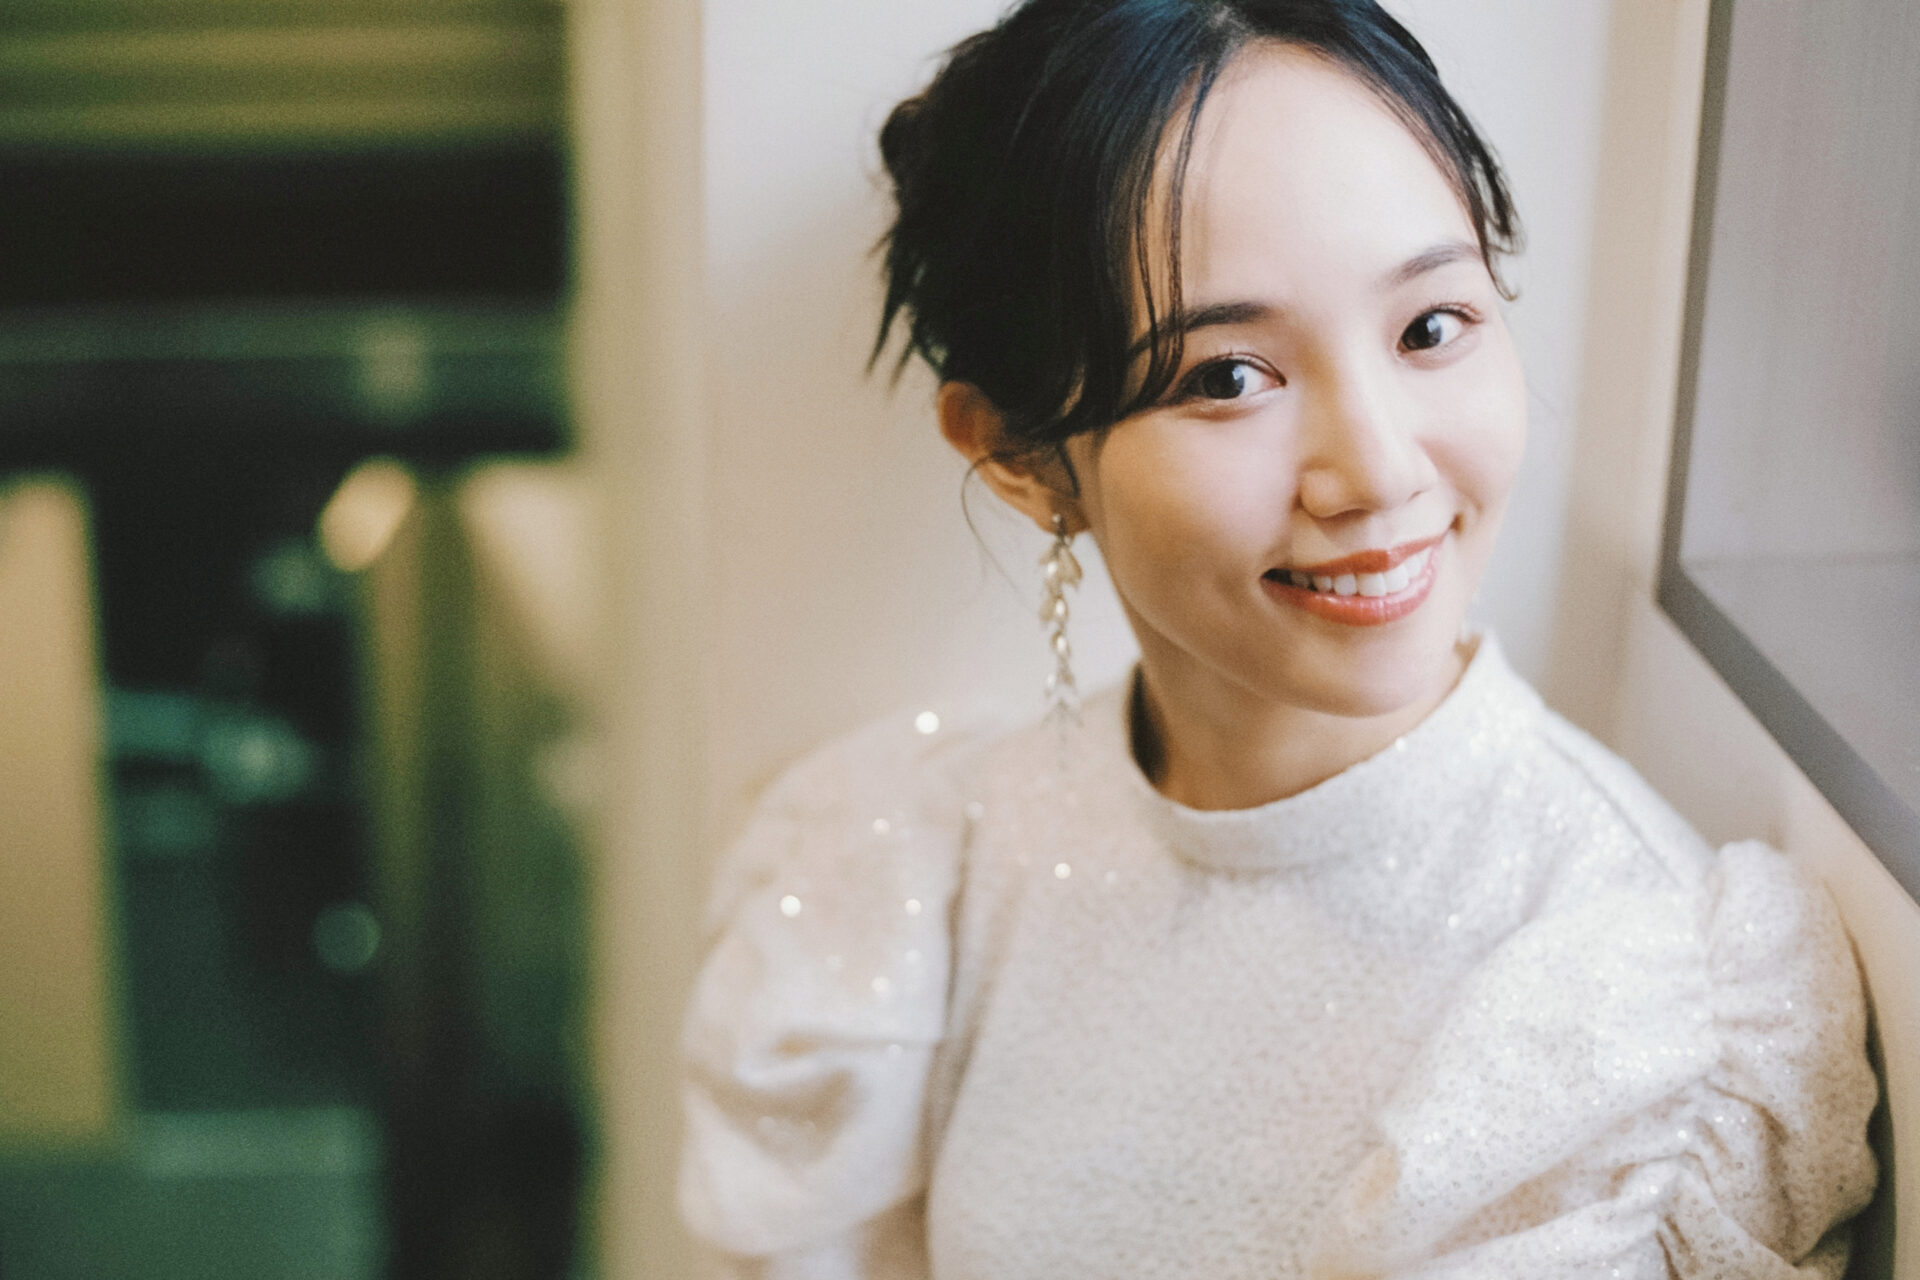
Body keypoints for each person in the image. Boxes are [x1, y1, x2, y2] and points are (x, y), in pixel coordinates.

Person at [677, 1, 1879, 1276]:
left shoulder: (1640, 1015)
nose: (1378, 469)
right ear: (1025, 459)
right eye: (1227, 376)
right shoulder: (928, 867)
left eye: (1430, 327)